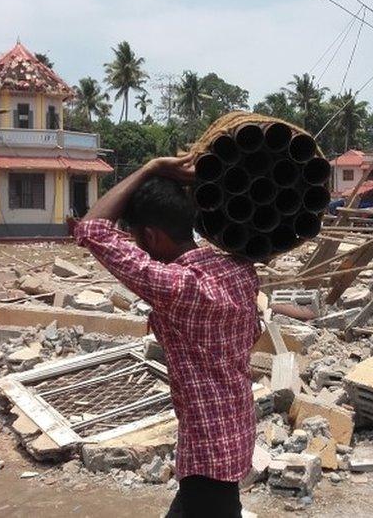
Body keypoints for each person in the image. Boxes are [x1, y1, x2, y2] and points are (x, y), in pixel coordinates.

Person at [73, 156, 257, 518]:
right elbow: (252, 334)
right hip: (235, 430)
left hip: (207, 446)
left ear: (151, 236)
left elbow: (92, 230)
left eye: (138, 239)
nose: (139, 247)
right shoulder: (241, 272)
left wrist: (151, 168)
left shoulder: (176, 287)